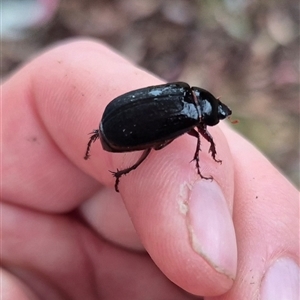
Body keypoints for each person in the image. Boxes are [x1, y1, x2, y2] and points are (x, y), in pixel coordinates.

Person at [2, 40, 299, 300]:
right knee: (154, 150)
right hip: (119, 125)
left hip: (115, 120)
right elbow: (196, 138)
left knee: (156, 149)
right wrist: (205, 153)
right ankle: (123, 169)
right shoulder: (188, 115)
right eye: (215, 113)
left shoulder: (183, 95)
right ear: (205, 114)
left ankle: (120, 166)